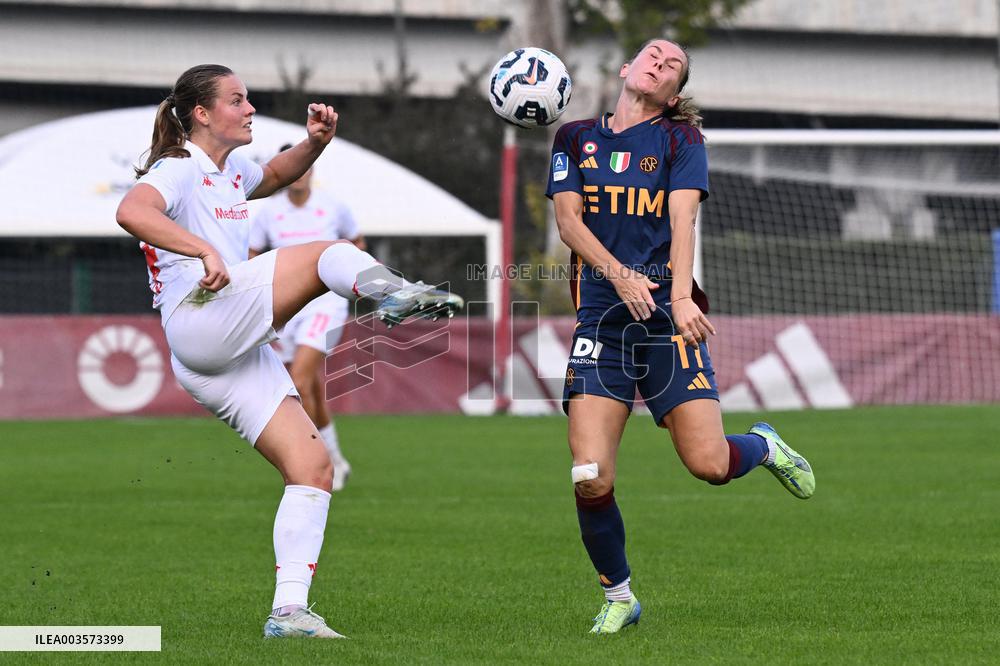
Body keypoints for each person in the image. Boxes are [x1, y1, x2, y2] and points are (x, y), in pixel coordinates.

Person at [116, 64, 462, 639]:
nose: (249, 109)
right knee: (325, 253)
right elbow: (132, 212)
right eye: (238, 100)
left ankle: (289, 613)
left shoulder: (228, 171)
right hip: (200, 320)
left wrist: (316, 144)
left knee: (312, 468)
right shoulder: (178, 167)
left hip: (216, 356)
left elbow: (277, 173)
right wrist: (202, 249)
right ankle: (392, 296)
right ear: (202, 114)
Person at [546, 39, 815, 635]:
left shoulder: (680, 140)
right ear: (625, 68)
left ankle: (764, 447)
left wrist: (678, 295)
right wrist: (618, 277)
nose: (659, 63)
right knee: (590, 474)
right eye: (652, 55)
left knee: (710, 465)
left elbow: (683, 217)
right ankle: (619, 595)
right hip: (602, 326)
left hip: (669, 323)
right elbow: (568, 222)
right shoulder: (572, 138)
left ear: (674, 94)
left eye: (672, 66)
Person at [249, 144, 364, 492]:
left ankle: (321, 462)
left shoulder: (333, 207)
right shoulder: (268, 213)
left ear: (312, 170)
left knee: (299, 379)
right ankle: (336, 460)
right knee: (310, 384)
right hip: (289, 307)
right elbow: (252, 256)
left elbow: (357, 244)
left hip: (327, 304)